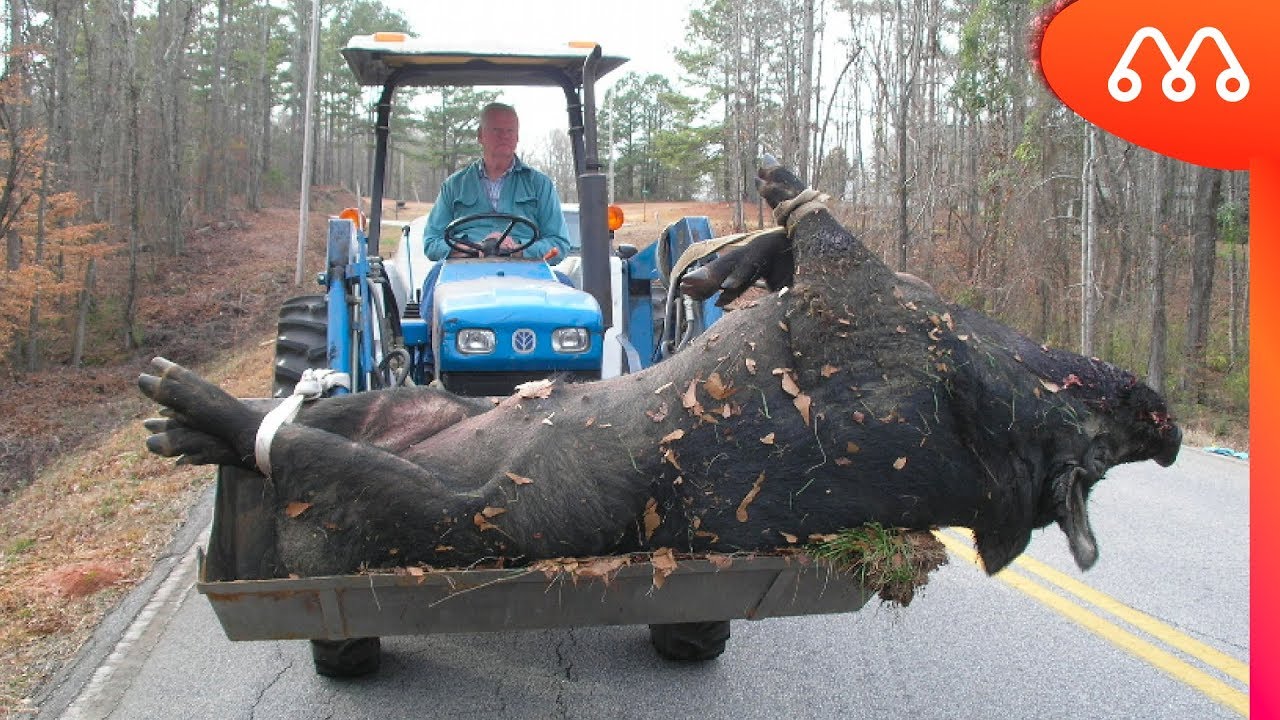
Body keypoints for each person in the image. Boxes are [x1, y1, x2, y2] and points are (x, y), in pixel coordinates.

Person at [423, 102, 570, 264]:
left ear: (517, 137)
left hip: (525, 270)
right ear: (480, 135)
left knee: (564, 284)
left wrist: (519, 250)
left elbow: (559, 244)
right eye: (497, 130)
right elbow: (431, 242)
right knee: (432, 283)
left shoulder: (540, 185)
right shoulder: (454, 186)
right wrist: (470, 248)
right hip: (464, 267)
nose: (504, 136)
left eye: (510, 131)